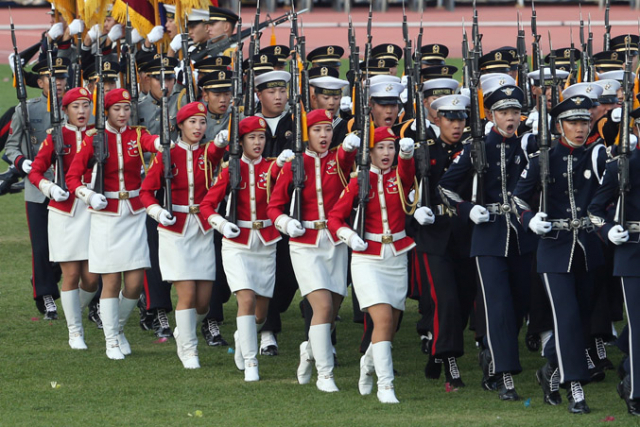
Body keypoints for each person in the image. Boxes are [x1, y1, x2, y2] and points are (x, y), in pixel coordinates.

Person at [438, 85, 537, 401]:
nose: (511, 118)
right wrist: (468, 210)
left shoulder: (529, 145)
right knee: (498, 307)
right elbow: (446, 188)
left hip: (522, 236)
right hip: (489, 236)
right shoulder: (477, 147)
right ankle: (505, 374)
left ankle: (494, 353)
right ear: (491, 116)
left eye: (515, 112)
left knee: (521, 304)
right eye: (504, 113)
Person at [513, 95, 606, 414]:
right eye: (573, 122)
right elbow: (518, 200)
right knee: (566, 318)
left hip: (588, 250)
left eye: (584, 122)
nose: (580, 129)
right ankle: (576, 390)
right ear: (558, 126)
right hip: (553, 249)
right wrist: (530, 220)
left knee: (579, 322)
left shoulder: (596, 156)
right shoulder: (544, 158)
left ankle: (551, 373)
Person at [66, 88, 164, 360]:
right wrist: (88, 195)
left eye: (126, 109)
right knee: (110, 281)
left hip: (133, 213)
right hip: (105, 214)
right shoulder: (93, 139)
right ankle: (111, 339)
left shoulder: (136, 134)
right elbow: (73, 178)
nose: (123, 114)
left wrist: (160, 143)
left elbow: (152, 141)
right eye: (116, 109)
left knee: (133, 283)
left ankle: (118, 328)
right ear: (106, 111)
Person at [267, 109, 359, 392]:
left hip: (334, 241)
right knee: (323, 307)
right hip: (304, 243)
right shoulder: (295, 163)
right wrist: (284, 222)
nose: (323, 135)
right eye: (317, 130)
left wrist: (347, 146)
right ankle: (325, 373)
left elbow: (344, 159)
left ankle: (308, 349)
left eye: (328, 130)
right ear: (306, 134)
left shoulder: (335, 160)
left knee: (332, 310)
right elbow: (274, 205)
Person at [328, 126, 416, 403]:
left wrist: (407, 154)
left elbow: (408, 175)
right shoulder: (358, 181)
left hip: (397, 255)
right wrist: (349, 236)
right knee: (383, 319)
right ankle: (386, 386)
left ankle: (367, 365)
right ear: (369, 152)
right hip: (367, 257)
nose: (386, 153)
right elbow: (334, 218)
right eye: (380, 147)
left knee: (391, 326)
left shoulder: (399, 178)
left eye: (391, 147)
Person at [201, 116, 291, 380]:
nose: (258, 142)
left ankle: (244, 335)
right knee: (247, 299)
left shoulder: (274, 167)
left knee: (260, 313)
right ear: (240, 142)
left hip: (265, 242)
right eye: (252, 137)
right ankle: (251, 362)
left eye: (261, 137)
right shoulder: (231, 169)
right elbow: (208, 205)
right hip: (236, 243)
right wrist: (220, 224)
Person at [140, 101, 225, 369]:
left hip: (202, 228)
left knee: (203, 303)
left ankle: (183, 329)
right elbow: (146, 191)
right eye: (192, 122)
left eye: (202, 122)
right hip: (174, 229)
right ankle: (188, 349)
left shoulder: (208, 154)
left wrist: (223, 139)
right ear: (180, 125)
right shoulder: (167, 154)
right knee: (187, 294)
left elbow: (216, 150)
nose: (198, 127)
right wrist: (156, 211)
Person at [406, 94, 476, 387]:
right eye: (450, 119)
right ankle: (449, 362)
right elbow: (405, 188)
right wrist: (415, 208)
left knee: (461, 302)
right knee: (444, 300)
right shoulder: (426, 149)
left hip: (465, 234)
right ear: (437, 119)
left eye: (461, 119)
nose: (457, 125)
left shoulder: (473, 150)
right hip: (433, 236)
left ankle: (438, 350)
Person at [28, 87, 100, 349]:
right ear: (65, 110)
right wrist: (50, 188)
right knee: (70, 274)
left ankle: (73, 310)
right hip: (65, 211)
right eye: (75, 106)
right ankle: (75, 331)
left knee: (92, 278)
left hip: (93, 209)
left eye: (85, 105)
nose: (81, 111)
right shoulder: (56, 136)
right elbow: (36, 171)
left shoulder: (98, 134)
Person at [5, 56, 69, 319]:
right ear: (40, 81)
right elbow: (10, 146)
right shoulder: (26, 109)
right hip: (37, 188)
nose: (58, 83)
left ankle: (48, 279)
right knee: (41, 246)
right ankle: (45, 294)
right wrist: (23, 162)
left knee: (65, 247)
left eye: (62, 77)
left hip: (70, 187)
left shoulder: (78, 107)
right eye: (52, 78)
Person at [588, 103, 640, 417]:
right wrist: (608, 231)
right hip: (633, 249)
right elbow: (595, 209)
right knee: (637, 325)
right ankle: (635, 390)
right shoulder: (623, 166)